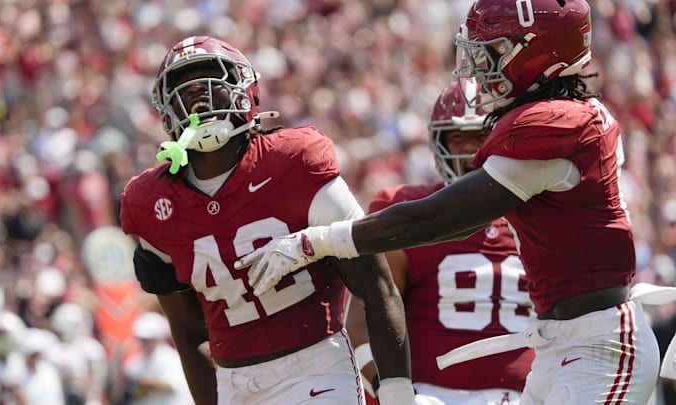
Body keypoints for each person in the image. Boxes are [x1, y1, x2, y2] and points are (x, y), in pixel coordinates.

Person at [237, 1, 663, 403]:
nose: (481, 67)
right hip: (562, 342)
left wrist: (316, 241)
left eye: (494, 50)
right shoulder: (567, 115)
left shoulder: (554, 123)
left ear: (539, 53)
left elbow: (442, 218)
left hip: (599, 341)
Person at [119, 36, 415, 405]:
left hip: (315, 366)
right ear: (166, 110)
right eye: (187, 91)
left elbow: (376, 285)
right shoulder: (150, 203)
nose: (200, 99)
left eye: (212, 84)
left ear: (245, 91)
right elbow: (187, 330)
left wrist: (398, 392)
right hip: (232, 382)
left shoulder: (296, 161)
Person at [345, 79, 535, 404]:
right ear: (438, 142)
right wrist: (395, 393)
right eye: (458, 138)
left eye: (481, 136)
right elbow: (361, 324)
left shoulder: (541, 218)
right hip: (435, 397)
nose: (470, 150)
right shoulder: (405, 211)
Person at [123, 312, 193, 405]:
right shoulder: (136, 360)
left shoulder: (171, 358)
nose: (144, 343)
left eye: (147, 339)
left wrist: (144, 382)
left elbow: (171, 386)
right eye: (142, 339)